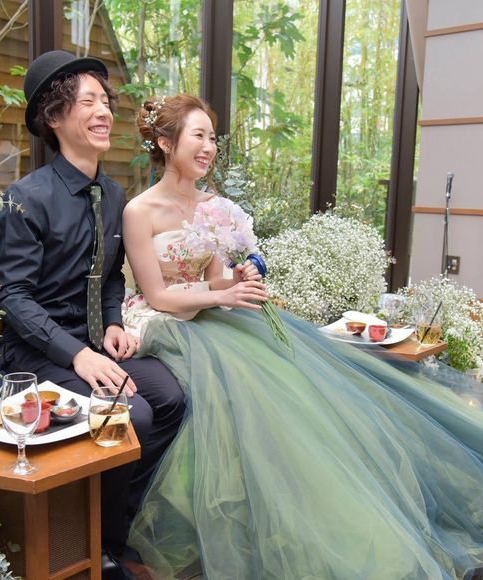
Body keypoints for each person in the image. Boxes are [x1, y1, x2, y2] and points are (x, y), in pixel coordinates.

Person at [121, 93, 483, 579]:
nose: (209, 147)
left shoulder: (217, 208)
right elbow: (159, 294)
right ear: (166, 143)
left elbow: (217, 277)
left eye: (212, 137)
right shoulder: (139, 211)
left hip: (212, 313)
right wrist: (222, 294)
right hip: (166, 322)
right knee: (247, 388)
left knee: (297, 377)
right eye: (198, 135)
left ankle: (332, 512)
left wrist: (239, 280)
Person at [0, 51, 185, 578]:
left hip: (95, 344)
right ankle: (99, 548)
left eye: (105, 101)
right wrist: (78, 354)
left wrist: (115, 322)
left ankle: (118, 528)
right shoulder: (25, 198)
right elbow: (14, 298)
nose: (103, 112)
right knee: (130, 414)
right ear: (55, 117)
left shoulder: (114, 194)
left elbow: (111, 275)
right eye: (88, 102)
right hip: (38, 353)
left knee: (172, 398)